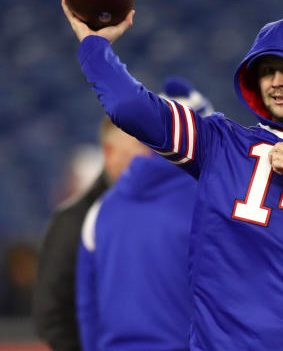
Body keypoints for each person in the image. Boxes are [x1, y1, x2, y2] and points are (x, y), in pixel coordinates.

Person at [61, 0, 283, 350]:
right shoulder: (221, 143)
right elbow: (130, 106)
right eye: (266, 70)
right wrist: (95, 46)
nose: (276, 82)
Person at [33, 76, 212, 351]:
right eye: (139, 148)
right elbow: (57, 313)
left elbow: (86, 308)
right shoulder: (78, 218)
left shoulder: (101, 213)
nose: (146, 156)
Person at [33, 115, 151, 351]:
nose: (147, 163)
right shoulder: (74, 221)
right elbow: (52, 313)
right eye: (134, 155)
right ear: (109, 154)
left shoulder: (161, 212)